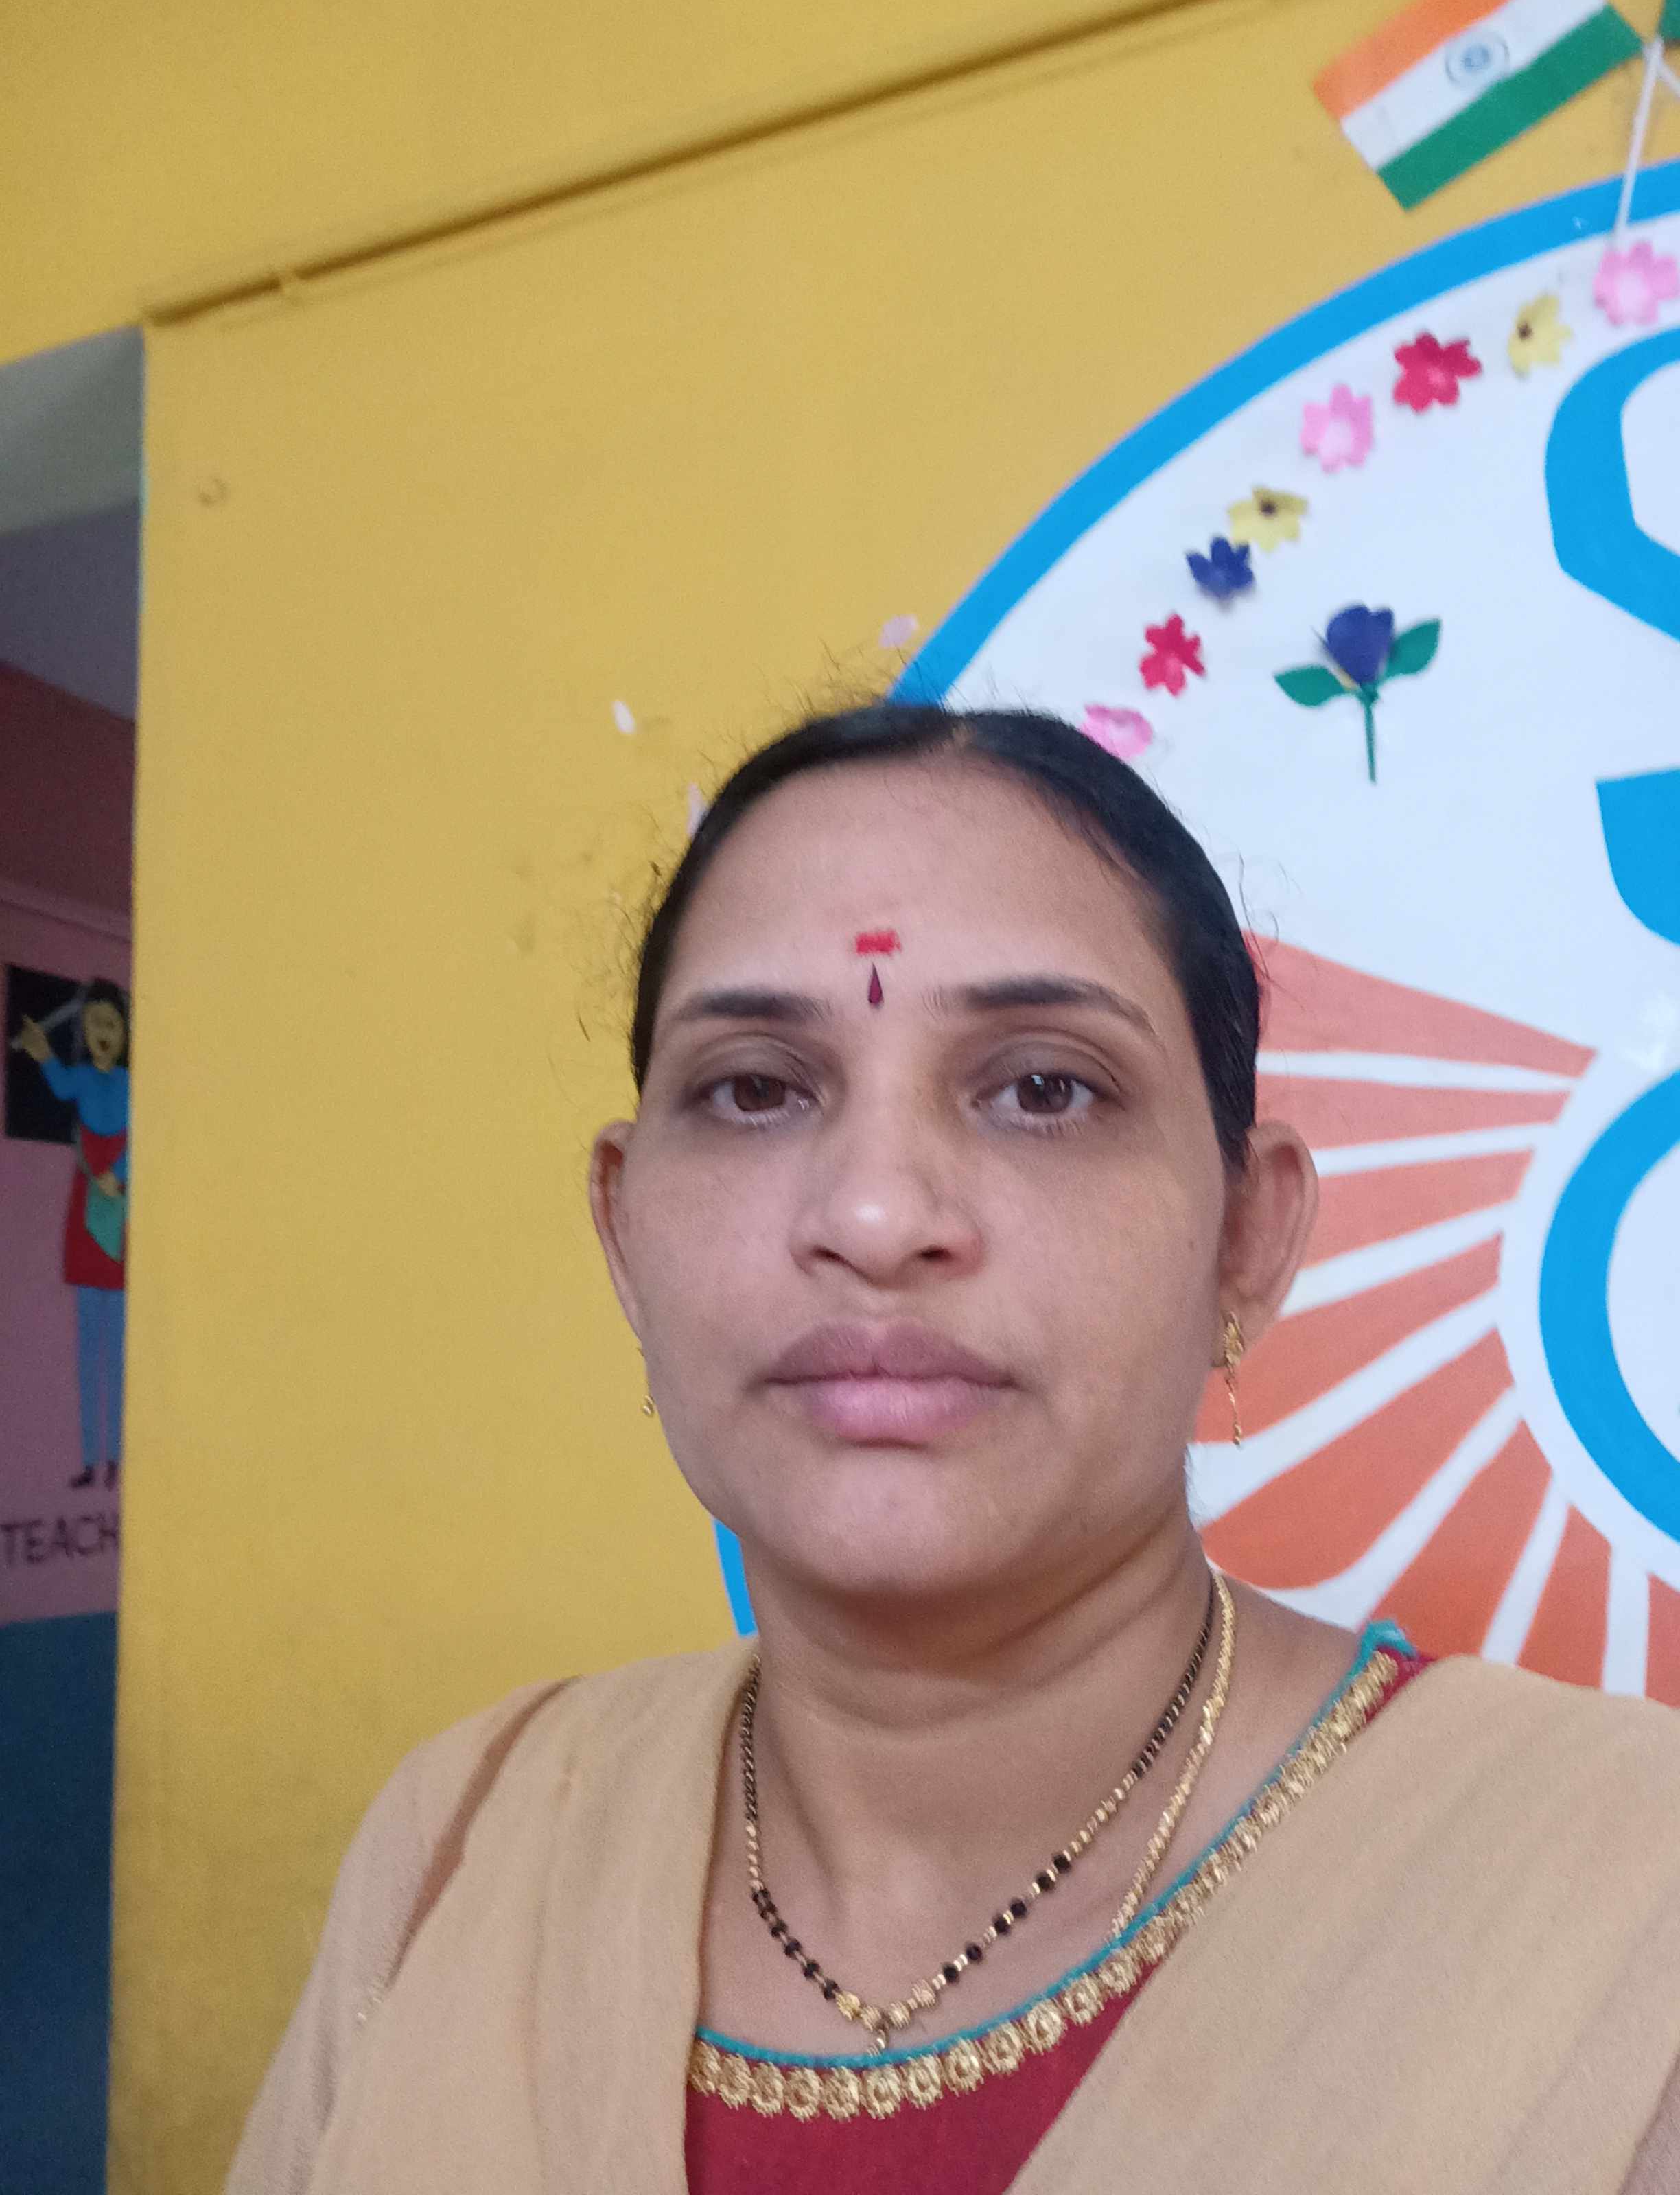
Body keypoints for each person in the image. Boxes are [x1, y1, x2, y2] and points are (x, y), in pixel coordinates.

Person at [228, 704, 1680, 2194]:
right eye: (754, 1089)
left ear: (1245, 1237)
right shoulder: (470, 1839)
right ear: (623, 1227)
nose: (873, 1215)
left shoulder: (1629, 1901)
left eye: (1043, 1088)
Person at [12, 979, 130, 1489]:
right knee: (88, 1350)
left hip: (119, 1212)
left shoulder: (133, 1086)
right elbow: (59, 1086)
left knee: (117, 1350)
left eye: (112, 1023)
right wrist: (41, 1052)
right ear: (83, 1028)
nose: (102, 1031)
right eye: (94, 1022)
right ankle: (89, 1459)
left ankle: (117, 1459)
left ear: (125, 1032)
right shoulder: (79, 1078)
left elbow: (142, 1140)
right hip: (84, 1213)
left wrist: (120, 1175)